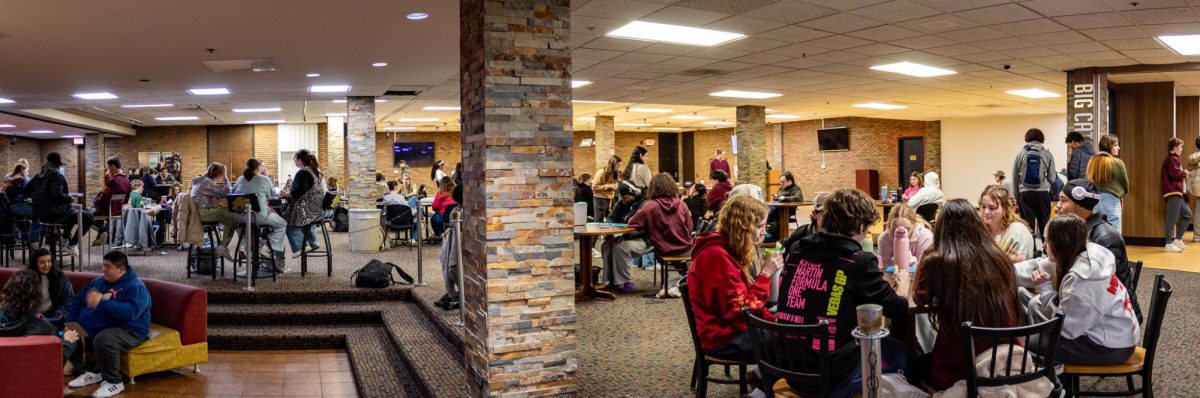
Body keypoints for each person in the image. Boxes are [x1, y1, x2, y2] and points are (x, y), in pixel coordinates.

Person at [774, 189, 909, 396]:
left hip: (788, 365)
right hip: (832, 376)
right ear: (861, 226)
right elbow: (898, 309)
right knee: (901, 353)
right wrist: (904, 286)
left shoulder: (797, 250)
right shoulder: (859, 261)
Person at [907, 199, 1023, 391]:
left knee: (914, 366)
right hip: (1007, 362)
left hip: (962, 367)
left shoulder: (939, 260)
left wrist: (931, 250)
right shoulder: (999, 257)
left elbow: (919, 298)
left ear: (941, 228)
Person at [1016, 214, 1139, 367]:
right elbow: (1037, 267)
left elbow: (1066, 329)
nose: (1043, 246)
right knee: (1036, 314)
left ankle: (1055, 388)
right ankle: (1054, 375)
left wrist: (1045, 290)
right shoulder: (1081, 253)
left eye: (1046, 240)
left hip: (1113, 347)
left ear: (1060, 243)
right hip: (1115, 334)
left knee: (1025, 344)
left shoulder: (1083, 280)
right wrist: (998, 270)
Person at [686, 194, 779, 361]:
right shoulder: (716, 257)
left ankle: (764, 380)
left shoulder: (727, 250)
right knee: (792, 342)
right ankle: (766, 384)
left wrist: (775, 321)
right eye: (760, 226)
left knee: (790, 333)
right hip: (724, 339)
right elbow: (741, 312)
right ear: (742, 227)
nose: (764, 231)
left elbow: (744, 300)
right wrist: (765, 276)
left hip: (731, 330)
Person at [66, 251, 151, 398]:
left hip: (130, 330)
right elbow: (78, 300)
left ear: (121, 269)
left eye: (108, 267)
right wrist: (71, 322)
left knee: (103, 339)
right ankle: (93, 372)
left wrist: (101, 302)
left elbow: (130, 313)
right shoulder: (98, 281)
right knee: (71, 334)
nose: (104, 270)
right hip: (102, 326)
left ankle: (114, 382)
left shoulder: (136, 287)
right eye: (103, 266)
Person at [1056, 179, 1140, 320]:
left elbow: (1098, 286)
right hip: (1095, 306)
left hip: (1116, 318)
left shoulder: (1105, 238)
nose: (1058, 205)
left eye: (1063, 201)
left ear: (1080, 206)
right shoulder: (1077, 232)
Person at [617, 174, 693, 295]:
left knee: (620, 247)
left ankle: (623, 282)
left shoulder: (650, 206)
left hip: (665, 250)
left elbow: (632, 223)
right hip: (687, 249)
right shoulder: (682, 205)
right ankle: (682, 281)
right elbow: (690, 228)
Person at [0, 269, 80, 366]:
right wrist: (68, 342)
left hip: (5, 371)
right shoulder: (46, 329)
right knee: (74, 335)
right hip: (32, 373)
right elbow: (55, 362)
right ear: (34, 298)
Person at [29, 152, 94, 254]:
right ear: (58, 165)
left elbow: (26, 191)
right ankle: (71, 245)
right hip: (55, 214)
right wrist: (69, 198)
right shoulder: (56, 175)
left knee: (74, 213)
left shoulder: (38, 176)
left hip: (41, 215)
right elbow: (56, 195)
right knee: (88, 217)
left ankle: (64, 238)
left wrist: (40, 198)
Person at [234, 158, 289, 273]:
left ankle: (244, 246)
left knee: (246, 227)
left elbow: (233, 194)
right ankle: (267, 248)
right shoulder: (264, 179)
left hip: (240, 216)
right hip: (258, 216)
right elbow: (272, 194)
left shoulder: (240, 179)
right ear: (258, 167)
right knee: (282, 225)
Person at [281, 149, 327, 258]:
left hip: (307, 211)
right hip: (318, 210)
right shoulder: (316, 171)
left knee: (287, 222)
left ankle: (301, 247)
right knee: (305, 221)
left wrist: (286, 194)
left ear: (300, 160)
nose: (295, 162)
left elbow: (300, 191)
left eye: (295, 160)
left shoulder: (303, 172)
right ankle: (314, 242)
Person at [1012, 128, 1057, 240]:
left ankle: (1030, 252)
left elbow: (1014, 176)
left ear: (1027, 138)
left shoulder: (1020, 153)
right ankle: (1048, 252)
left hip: (1025, 194)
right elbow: (1052, 178)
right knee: (1045, 224)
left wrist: (1017, 196)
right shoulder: (1047, 154)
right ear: (1041, 139)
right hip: (1042, 194)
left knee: (1027, 226)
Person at [600, 181, 645, 291]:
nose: (624, 200)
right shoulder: (621, 202)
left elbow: (644, 228)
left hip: (641, 238)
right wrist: (609, 230)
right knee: (606, 245)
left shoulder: (644, 204)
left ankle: (626, 281)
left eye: (626, 198)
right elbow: (611, 217)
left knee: (620, 247)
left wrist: (625, 236)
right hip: (624, 235)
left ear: (635, 194)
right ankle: (611, 279)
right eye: (622, 198)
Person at [190, 162, 237, 260]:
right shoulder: (207, 182)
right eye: (221, 174)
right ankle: (223, 247)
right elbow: (226, 192)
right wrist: (226, 177)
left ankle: (223, 246)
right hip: (203, 214)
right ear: (218, 173)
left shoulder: (201, 180)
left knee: (229, 216)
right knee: (234, 216)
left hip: (199, 212)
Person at [979, 185, 1035, 261]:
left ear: (1005, 208)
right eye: (983, 207)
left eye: (992, 208)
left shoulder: (1018, 231)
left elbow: (1022, 266)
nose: (986, 212)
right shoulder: (981, 230)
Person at [1087, 134, 1129, 231]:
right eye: (1115, 145)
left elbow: (1089, 180)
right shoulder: (1117, 162)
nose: (1118, 148)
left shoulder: (1092, 161)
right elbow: (1125, 184)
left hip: (1094, 199)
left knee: (1097, 230)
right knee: (1114, 231)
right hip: (1111, 199)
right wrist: (1120, 195)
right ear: (1108, 146)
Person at [877, 204, 933, 273]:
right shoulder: (884, 239)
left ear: (914, 225)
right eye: (895, 229)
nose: (901, 233)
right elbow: (884, 270)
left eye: (907, 229)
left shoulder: (926, 237)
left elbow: (924, 272)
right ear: (889, 226)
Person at [92, 157, 132, 246]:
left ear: (113, 166)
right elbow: (126, 200)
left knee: (85, 216)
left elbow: (103, 199)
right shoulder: (127, 180)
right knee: (94, 213)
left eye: (109, 167)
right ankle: (100, 236)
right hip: (118, 211)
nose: (108, 170)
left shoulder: (112, 180)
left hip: (107, 211)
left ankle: (103, 231)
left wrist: (95, 202)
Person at [26, 247, 74, 320]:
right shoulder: (26, 278)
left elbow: (69, 298)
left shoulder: (60, 276)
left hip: (53, 316)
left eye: (49, 261)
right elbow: (20, 300)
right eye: (42, 262)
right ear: (35, 264)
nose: (47, 265)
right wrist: (33, 312)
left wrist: (61, 312)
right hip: (31, 317)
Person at [1162, 137, 1191, 253]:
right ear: (1174, 147)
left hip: (1178, 193)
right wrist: (1184, 173)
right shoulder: (1171, 159)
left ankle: (1177, 239)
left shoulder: (1173, 159)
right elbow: (1175, 173)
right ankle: (1168, 243)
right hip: (1173, 192)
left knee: (1187, 215)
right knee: (1172, 218)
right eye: (1180, 147)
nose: (1182, 149)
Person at [593, 155, 622, 222]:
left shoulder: (615, 173)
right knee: (598, 221)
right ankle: (598, 232)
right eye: (618, 165)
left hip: (610, 199)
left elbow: (614, 185)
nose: (619, 167)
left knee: (611, 220)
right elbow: (594, 187)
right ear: (613, 163)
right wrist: (609, 186)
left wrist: (615, 186)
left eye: (620, 165)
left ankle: (610, 233)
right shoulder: (601, 172)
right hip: (600, 199)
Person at [1189, 137, 1200, 242]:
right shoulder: (1194, 157)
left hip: (1197, 188)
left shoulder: (1193, 156)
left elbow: (1189, 170)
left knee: (1198, 210)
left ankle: (1197, 235)